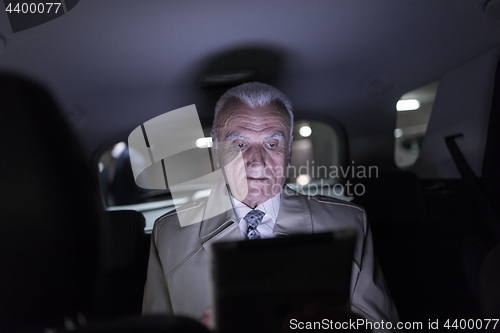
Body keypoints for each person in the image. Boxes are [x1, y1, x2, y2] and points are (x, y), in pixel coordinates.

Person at [142, 82, 399, 328]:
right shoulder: (169, 234)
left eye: (272, 144)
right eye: (239, 144)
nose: (257, 162)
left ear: (288, 151)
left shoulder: (348, 223)